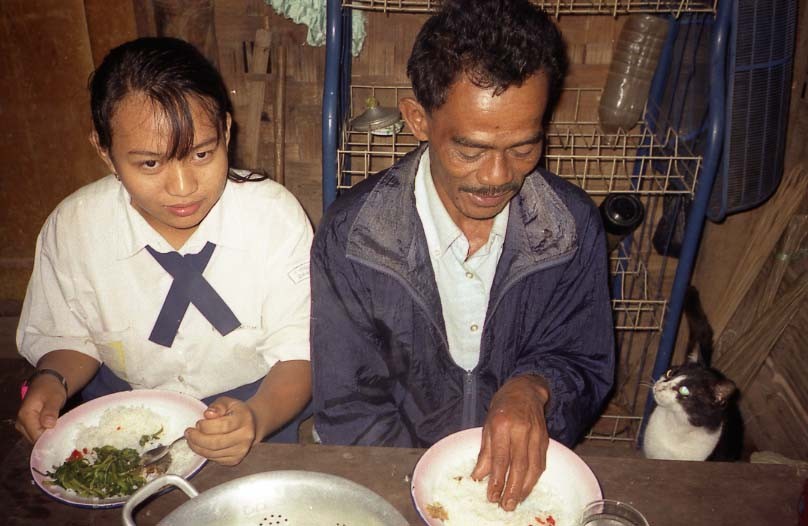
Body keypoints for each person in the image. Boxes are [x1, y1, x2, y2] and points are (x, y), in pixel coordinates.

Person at [311, 0, 614, 511]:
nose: (498, 177)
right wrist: (431, 492)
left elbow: (585, 361)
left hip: (528, 481)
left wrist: (534, 389)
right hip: (398, 480)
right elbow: (348, 406)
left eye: (523, 147)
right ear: (417, 119)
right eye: (470, 150)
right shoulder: (353, 236)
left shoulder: (570, 226)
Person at [15, 37, 313, 466]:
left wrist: (256, 417)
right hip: (126, 414)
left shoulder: (274, 217)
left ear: (226, 131)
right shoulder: (76, 226)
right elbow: (69, 334)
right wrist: (52, 381)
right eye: (150, 164)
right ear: (104, 151)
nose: (182, 188)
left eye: (202, 153)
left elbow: (298, 354)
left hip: (257, 402)